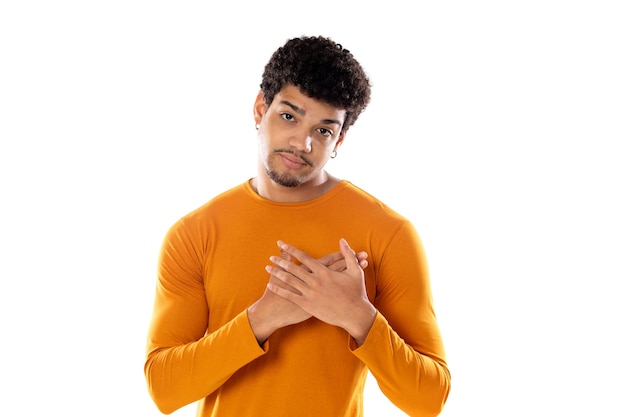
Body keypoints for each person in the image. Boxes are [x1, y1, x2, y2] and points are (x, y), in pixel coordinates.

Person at [144, 35, 451, 417]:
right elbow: (164, 389)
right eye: (289, 116)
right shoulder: (194, 234)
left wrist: (357, 316)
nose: (302, 142)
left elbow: (429, 400)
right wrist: (264, 318)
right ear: (260, 108)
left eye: (323, 130)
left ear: (339, 138)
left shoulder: (387, 233)